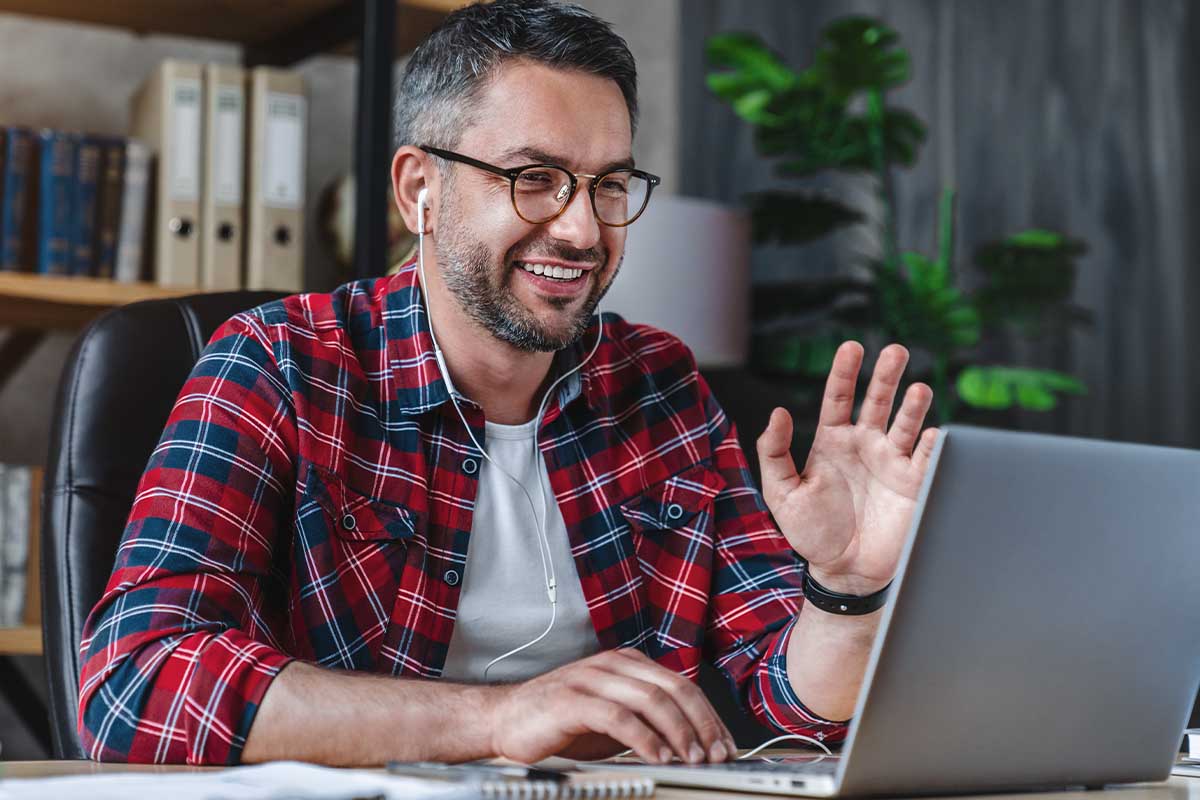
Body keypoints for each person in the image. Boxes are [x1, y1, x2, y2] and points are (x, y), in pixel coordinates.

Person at [77, 0, 937, 767]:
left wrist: (848, 585)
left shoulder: (662, 384)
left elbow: (788, 701)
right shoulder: (280, 366)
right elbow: (136, 682)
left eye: (608, 186)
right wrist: (499, 720)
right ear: (421, 189)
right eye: (534, 180)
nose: (580, 228)